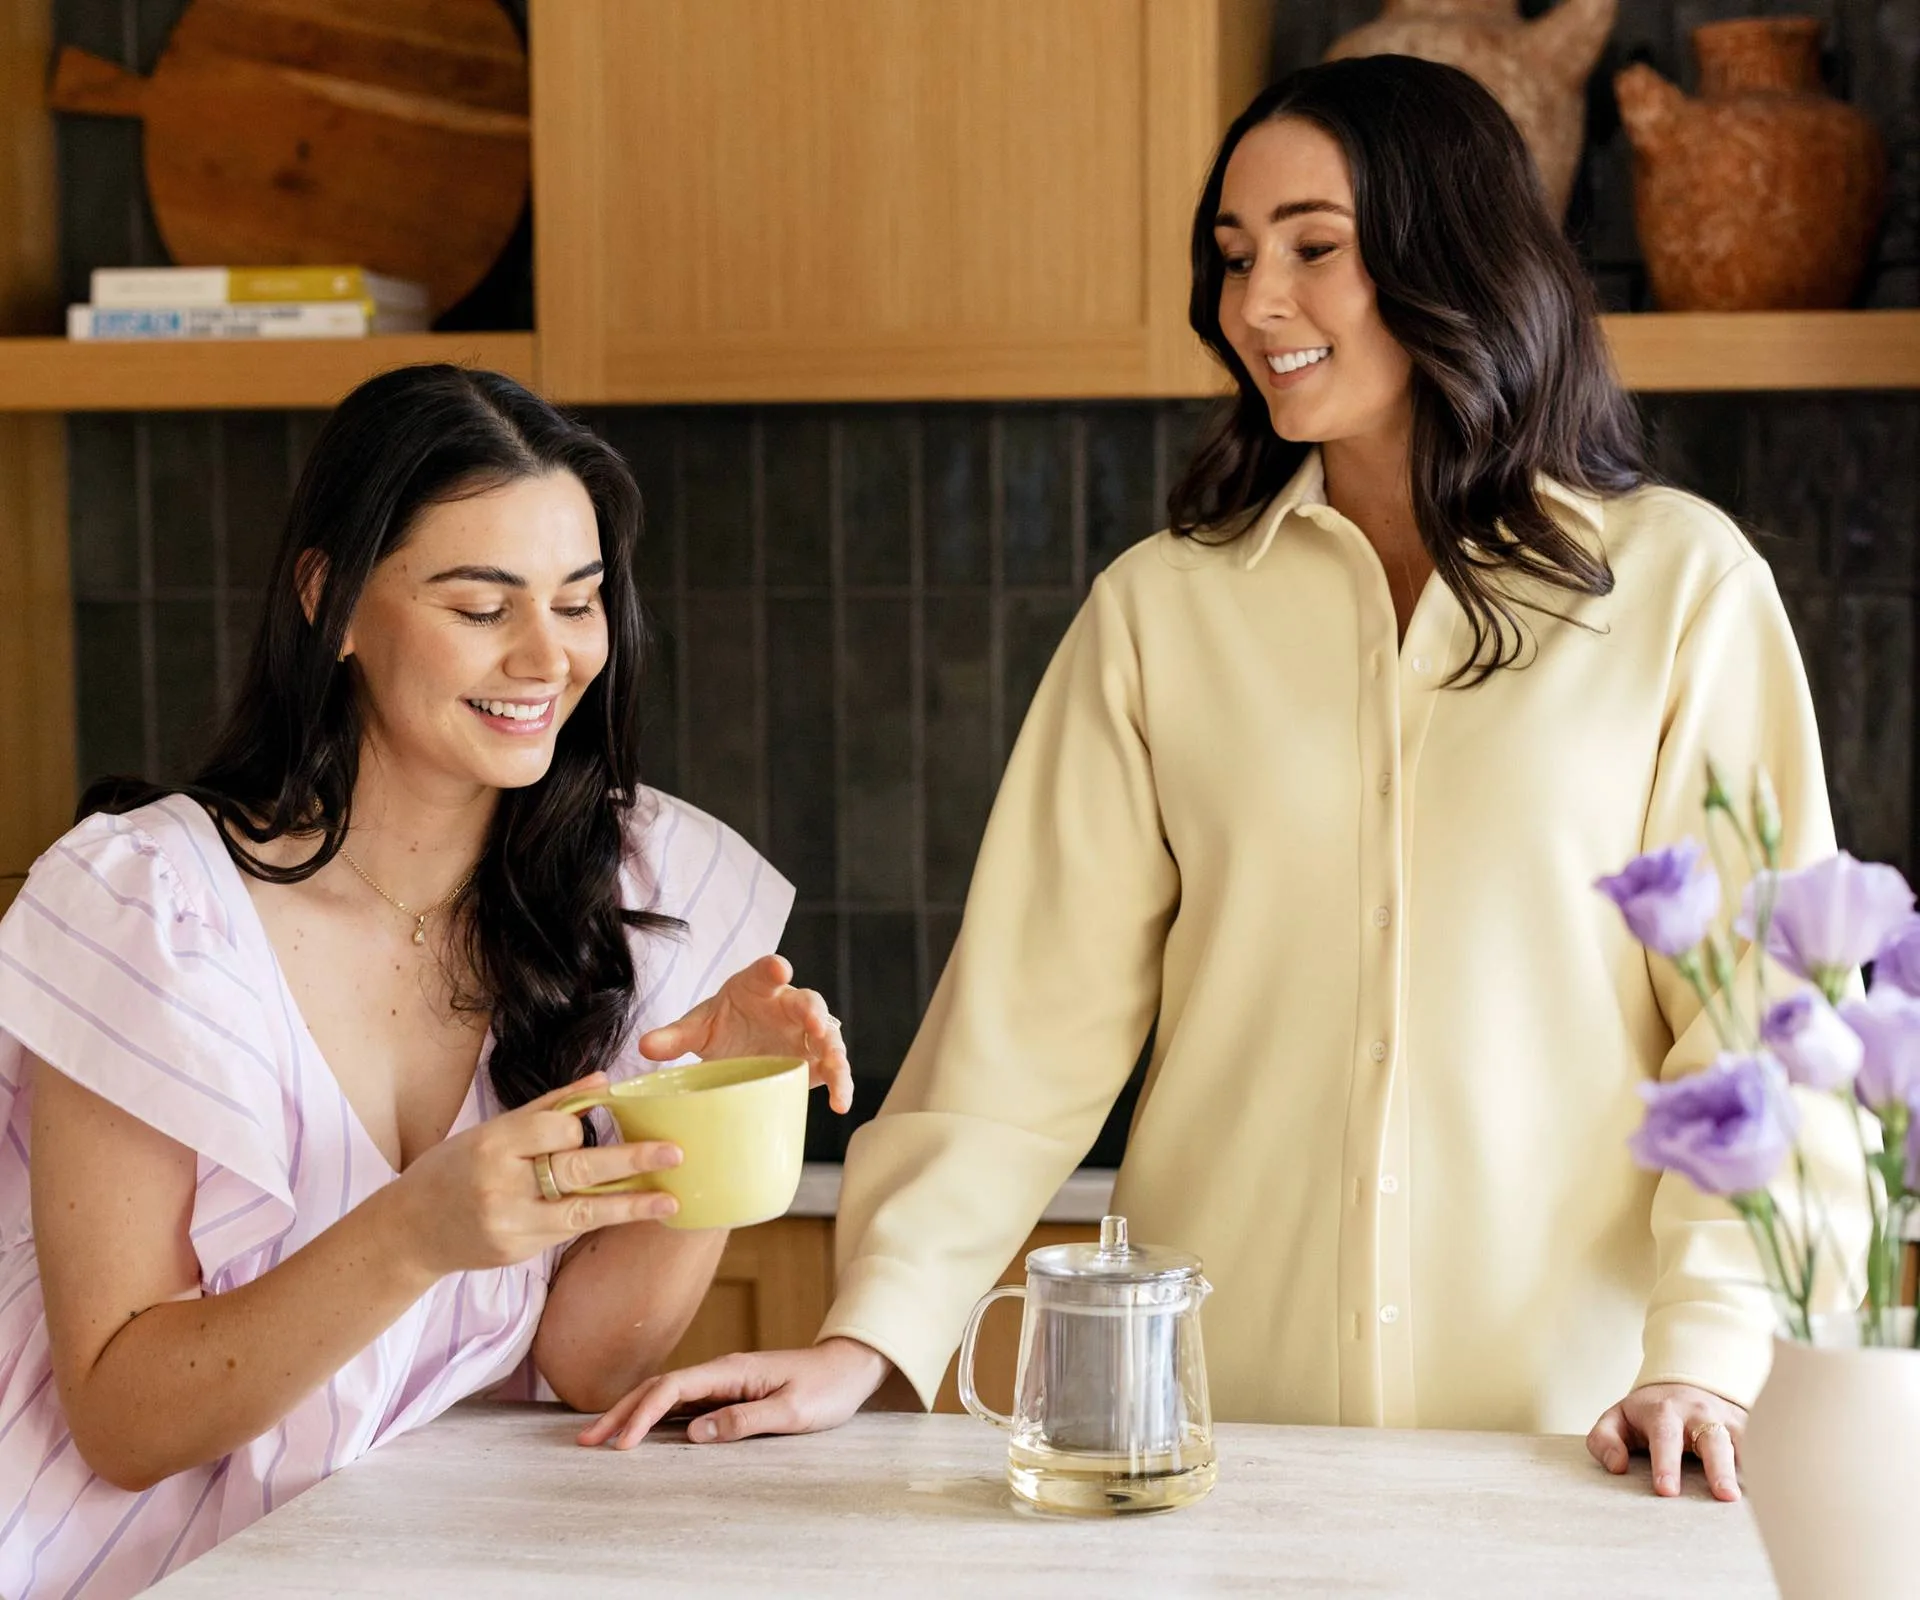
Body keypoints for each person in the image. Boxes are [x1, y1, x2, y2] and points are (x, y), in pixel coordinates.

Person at [588, 57, 1867, 1502]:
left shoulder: (1683, 593)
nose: (1257, 304)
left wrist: (1702, 1352)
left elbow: (1764, 1034)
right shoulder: (1160, 616)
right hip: (1215, 1458)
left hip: (1583, 1456)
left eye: (1315, 250)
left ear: (1452, 256)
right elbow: (1019, 1041)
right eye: (1235, 256)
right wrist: (869, 1339)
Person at [0, 364, 852, 1599]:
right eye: (478, 604)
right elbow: (125, 1421)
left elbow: (590, 1367)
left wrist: (721, 1097)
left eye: (579, 600)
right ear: (329, 601)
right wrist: (415, 1230)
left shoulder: (637, 886)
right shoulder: (151, 907)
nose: (546, 657)